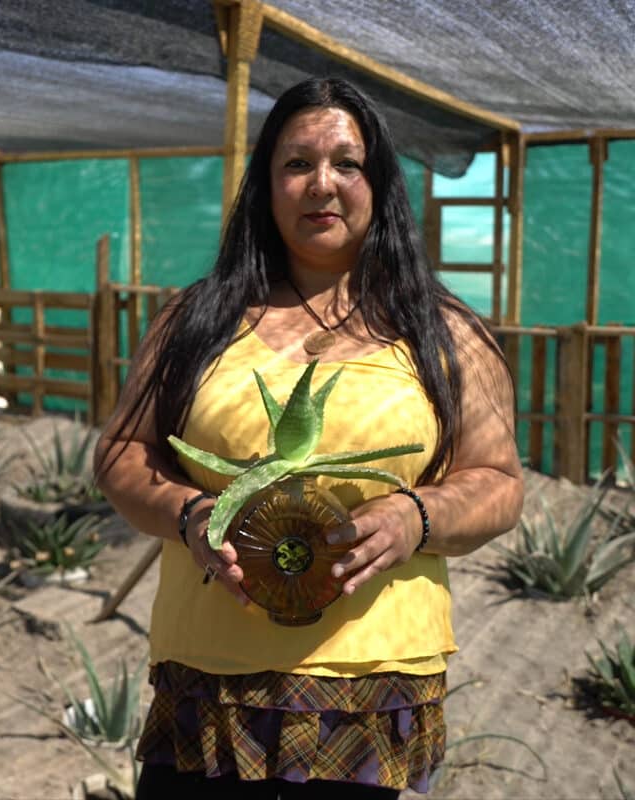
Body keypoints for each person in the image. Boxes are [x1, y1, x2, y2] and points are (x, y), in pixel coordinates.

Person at [94, 77, 524, 799]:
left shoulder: (444, 333)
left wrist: (414, 517)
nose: (320, 184)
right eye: (296, 164)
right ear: (265, 185)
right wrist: (192, 515)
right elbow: (121, 455)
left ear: (379, 183)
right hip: (211, 679)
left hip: (372, 684)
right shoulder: (195, 319)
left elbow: (500, 482)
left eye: (346, 164)